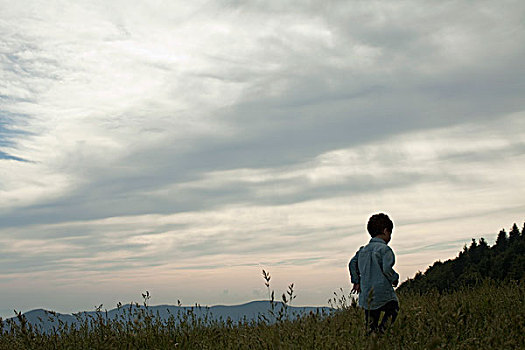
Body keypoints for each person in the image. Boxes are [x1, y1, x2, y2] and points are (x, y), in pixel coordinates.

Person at [349, 213, 400, 334]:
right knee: (394, 308)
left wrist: (356, 281)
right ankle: (382, 331)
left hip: (367, 294)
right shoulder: (384, 250)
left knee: (371, 320)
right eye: (390, 233)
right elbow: (387, 269)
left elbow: (352, 264)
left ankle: (372, 336)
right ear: (386, 231)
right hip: (382, 292)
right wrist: (395, 278)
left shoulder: (362, 250)